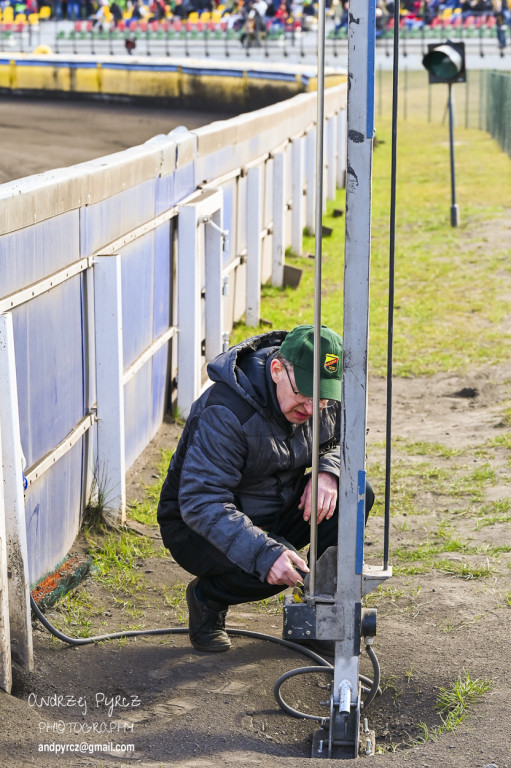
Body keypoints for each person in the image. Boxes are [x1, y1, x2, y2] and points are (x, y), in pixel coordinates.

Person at [157, 325, 374, 653]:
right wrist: (264, 552)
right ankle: (208, 599)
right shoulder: (226, 412)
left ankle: (319, 616)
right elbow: (201, 502)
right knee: (282, 562)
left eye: (324, 397)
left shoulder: (321, 400)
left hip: (274, 504)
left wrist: (328, 473)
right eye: (305, 394)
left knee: (357, 492)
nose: (314, 409)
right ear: (276, 370)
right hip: (196, 529)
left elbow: (345, 441)